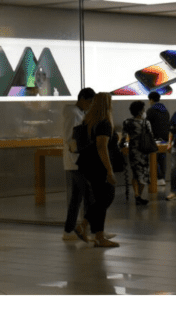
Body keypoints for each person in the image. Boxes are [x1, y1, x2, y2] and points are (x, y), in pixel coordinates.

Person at [75, 92, 119, 247]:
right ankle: (94, 234)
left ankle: (89, 228)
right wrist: (109, 170)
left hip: (88, 164)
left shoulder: (89, 121)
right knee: (105, 198)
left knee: (101, 199)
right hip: (99, 166)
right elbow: (102, 147)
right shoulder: (104, 123)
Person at [62, 87, 95, 241]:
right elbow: (71, 138)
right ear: (82, 99)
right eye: (89, 102)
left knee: (77, 197)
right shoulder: (73, 113)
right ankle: (92, 230)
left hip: (78, 161)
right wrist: (79, 151)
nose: (89, 106)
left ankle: (70, 230)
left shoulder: (79, 113)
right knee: (88, 195)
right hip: (76, 162)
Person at [122, 100, 153, 206]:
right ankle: (138, 196)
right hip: (143, 151)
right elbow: (150, 136)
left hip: (133, 151)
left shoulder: (127, 122)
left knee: (135, 173)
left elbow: (124, 137)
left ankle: (136, 195)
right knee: (144, 174)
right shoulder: (146, 122)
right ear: (140, 111)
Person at [146, 91, 170, 187]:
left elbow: (147, 125)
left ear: (151, 100)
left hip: (155, 138)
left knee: (154, 158)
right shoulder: (165, 110)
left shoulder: (151, 110)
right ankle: (162, 178)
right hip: (165, 137)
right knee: (162, 157)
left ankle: (159, 178)